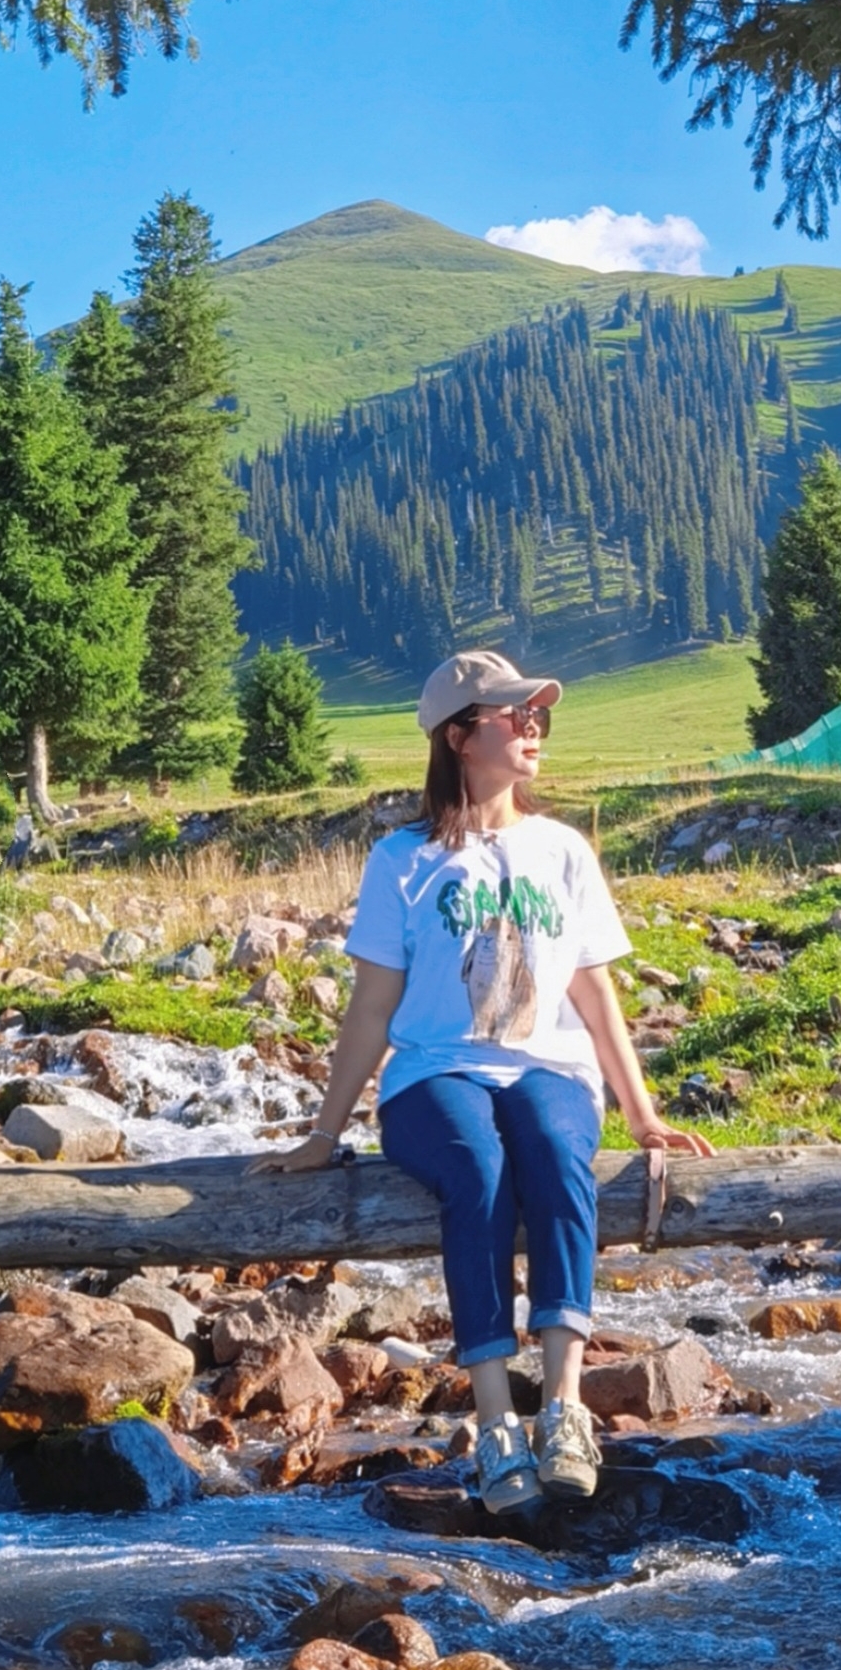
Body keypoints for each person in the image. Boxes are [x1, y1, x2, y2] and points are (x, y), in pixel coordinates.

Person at [255, 648, 713, 1514]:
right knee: (479, 1169)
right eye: (515, 714)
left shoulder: (562, 849)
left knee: (550, 1149)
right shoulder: (401, 859)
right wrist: (325, 1132)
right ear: (461, 735)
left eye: (538, 713)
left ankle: (567, 1407)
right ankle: (498, 1419)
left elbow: (593, 991)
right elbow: (371, 1006)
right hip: (433, 1073)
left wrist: (644, 1115)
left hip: (547, 1066)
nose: (534, 726)